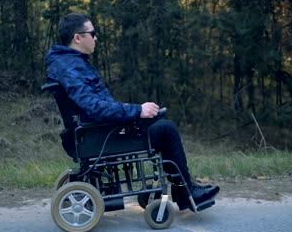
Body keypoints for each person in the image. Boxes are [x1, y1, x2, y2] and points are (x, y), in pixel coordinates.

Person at [45, 13, 219, 211]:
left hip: (96, 131)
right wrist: (137, 111)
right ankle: (184, 192)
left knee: (158, 120)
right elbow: (93, 107)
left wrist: (137, 113)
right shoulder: (69, 66)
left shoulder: (70, 63)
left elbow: (96, 105)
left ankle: (183, 190)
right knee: (166, 129)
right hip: (97, 136)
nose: (95, 38)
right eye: (92, 33)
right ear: (78, 37)